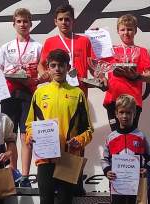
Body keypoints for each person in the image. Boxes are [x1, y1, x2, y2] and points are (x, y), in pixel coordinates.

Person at [25, 49, 93, 204]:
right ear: (48, 68)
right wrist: (31, 136)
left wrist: (79, 140)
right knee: (46, 200)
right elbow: (30, 124)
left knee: (65, 201)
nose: (57, 69)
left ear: (68, 68)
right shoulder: (40, 93)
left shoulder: (78, 94)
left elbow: (88, 129)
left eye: (61, 65)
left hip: (68, 158)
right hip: (45, 158)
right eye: (53, 65)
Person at [0, 8, 42, 187]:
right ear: (13, 24)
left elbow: (42, 71)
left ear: (31, 24)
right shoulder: (5, 47)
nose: (23, 25)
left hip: (28, 93)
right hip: (8, 94)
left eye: (26, 21)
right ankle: (13, 172)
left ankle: (25, 176)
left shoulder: (37, 46)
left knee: (26, 135)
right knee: (9, 135)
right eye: (19, 21)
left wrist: (35, 77)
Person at [103, 14, 150, 131]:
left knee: (131, 136)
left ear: (135, 31)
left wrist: (138, 76)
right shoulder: (110, 50)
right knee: (115, 136)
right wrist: (95, 36)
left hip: (133, 102)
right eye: (123, 29)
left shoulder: (141, 51)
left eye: (130, 29)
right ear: (118, 31)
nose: (126, 32)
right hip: (113, 100)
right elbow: (96, 65)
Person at [101, 94, 150, 204]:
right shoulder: (111, 137)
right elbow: (104, 159)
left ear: (134, 114)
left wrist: (146, 169)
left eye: (128, 112)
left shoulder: (140, 136)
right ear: (116, 114)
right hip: (117, 185)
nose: (125, 116)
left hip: (136, 185)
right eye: (121, 112)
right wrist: (107, 171)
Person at [37, 4, 96, 97]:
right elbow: (41, 65)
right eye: (60, 19)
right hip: (56, 91)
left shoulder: (84, 41)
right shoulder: (50, 42)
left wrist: (100, 77)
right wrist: (44, 74)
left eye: (67, 19)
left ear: (73, 21)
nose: (64, 22)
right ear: (55, 22)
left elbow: (93, 66)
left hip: (79, 90)